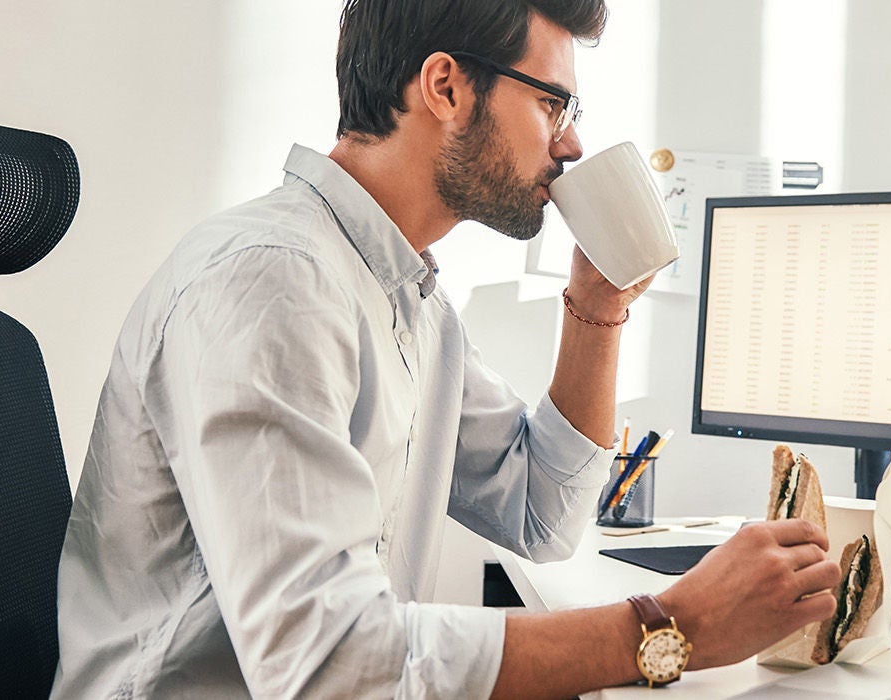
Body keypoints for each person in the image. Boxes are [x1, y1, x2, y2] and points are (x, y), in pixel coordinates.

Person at [52, 0, 841, 697]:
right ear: (446, 87)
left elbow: (542, 514)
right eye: (553, 105)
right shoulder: (273, 283)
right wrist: (672, 625)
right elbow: (325, 667)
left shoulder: (408, 301)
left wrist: (595, 313)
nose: (570, 147)